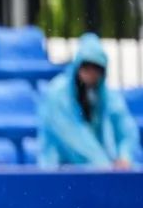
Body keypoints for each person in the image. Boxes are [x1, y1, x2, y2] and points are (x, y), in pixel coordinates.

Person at [38, 32, 140, 169]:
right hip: (60, 172)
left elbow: (127, 130)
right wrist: (106, 167)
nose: (91, 72)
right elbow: (73, 138)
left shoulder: (108, 96)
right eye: (86, 66)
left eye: (96, 67)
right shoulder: (57, 94)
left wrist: (124, 156)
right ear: (77, 66)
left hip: (100, 174)